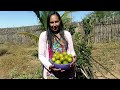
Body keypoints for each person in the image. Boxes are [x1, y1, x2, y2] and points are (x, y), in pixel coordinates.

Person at [38, 11, 77, 79]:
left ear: (60, 21)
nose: (54, 25)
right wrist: (50, 66)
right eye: (51, 22)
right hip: (51, 74)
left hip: (68, 71)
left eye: (56, 21)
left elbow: (72, 51)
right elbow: (41, 55)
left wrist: (73, 58)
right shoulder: (44, 35)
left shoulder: (67, 34)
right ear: (48, 23)